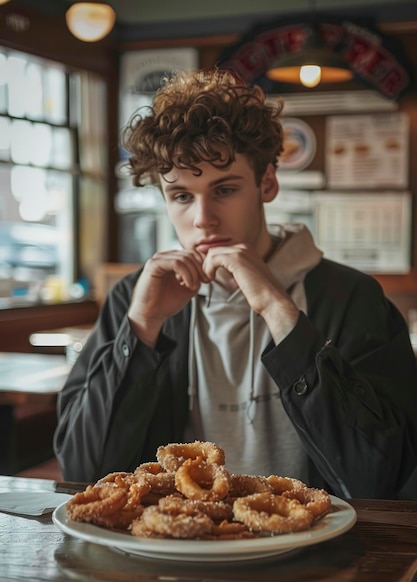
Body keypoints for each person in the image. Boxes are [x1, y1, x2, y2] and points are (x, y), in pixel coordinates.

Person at [53, 69, 417, 499]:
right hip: (174, 547)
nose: (203, 218)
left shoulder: (351, 298)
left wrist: (281, 314)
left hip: (319, 551)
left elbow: (380, 476)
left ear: (267, 183)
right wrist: (141, 328)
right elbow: (84, 471)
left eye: (224, 190)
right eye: (182, 196)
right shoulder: (134, 300)